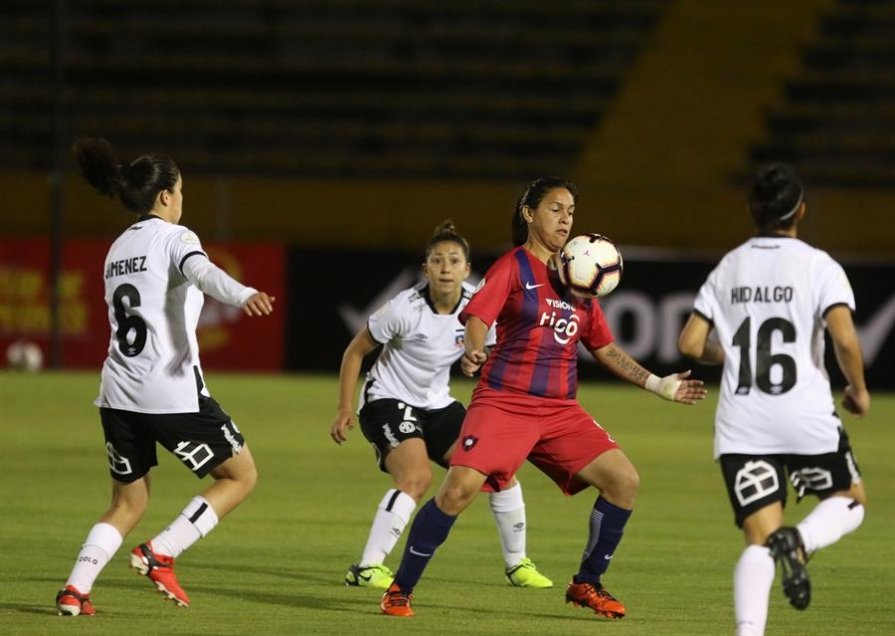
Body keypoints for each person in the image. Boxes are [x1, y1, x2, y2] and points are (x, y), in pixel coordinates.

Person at [378, 176, 707, 619]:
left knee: (623, 481)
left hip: (559, 412)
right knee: (458, 491)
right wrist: (475, 346)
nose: (566, 218)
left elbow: (604, 347)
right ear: (529, 214)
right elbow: (478, 315)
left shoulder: (580, 278)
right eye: (555, 208)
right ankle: (401, 588)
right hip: (504, 402)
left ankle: (586, 583)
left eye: (571, 211)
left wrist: (657, 384)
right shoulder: (513, 267)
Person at [55, 137, 276, 616]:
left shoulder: (117, 249)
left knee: (127, 501)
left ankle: (76, 589)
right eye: (180, 191)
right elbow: (204, 272)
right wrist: (243, 294)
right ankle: (161, 552)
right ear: (164, 196)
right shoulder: (176, 238)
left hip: (118, 391)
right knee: (240, 475)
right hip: (170, 390)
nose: (182, 199)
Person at [678, 163, 870, 636]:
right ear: (800, 210)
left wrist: (726, 353)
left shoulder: (730, 265)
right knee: (850, 500)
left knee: (757, 540)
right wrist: (859, 389)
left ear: (752, 211)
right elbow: (844, 340)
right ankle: (800, 540)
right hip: (804, 415)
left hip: (744, 423)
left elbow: (688, 343)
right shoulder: (818, 265)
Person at [331, 220, 552, 591]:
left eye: (454, 261)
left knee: (499, 470)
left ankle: (518, 565)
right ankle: (367, 567)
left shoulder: (478, 310)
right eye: (437, 260)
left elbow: (488, 354)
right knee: (416, 478)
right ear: (426, 268)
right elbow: (355, 352)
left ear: (467, 269)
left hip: (437, 404)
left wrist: (475, 361)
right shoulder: (404, 308)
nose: (446, 268)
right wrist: (344, 407)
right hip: (388, 400)